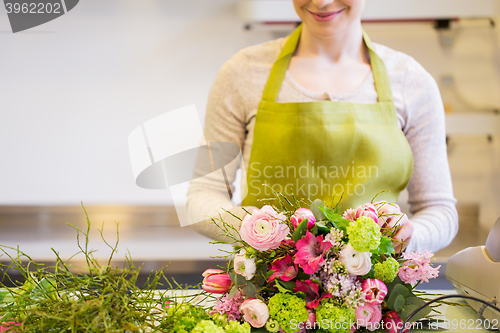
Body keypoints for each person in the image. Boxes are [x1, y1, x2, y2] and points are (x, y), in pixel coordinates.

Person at [187, 0, 458, 253]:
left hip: (374, 299)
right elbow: (203, 195)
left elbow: (440, 210)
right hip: (265, 296)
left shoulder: (411, 81)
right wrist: (262, 230)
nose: (321, 2)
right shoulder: (243, 73)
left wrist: (409, 235)